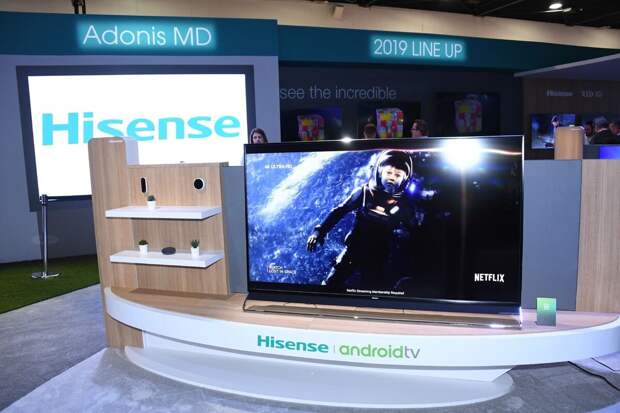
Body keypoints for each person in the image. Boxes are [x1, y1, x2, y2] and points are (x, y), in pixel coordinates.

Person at [306, 150, 417, 290]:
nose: (392, 178)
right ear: (379, 172)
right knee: (331, 284)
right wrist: (319, 231)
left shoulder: (405, 204)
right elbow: (339, 211)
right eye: (389, 172)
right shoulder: (364, 193)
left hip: (379, 255)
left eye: (398, 175)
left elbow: (413, 230)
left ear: (405, 178)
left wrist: (404, 235)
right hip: (354, 249)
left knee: (372, 291)